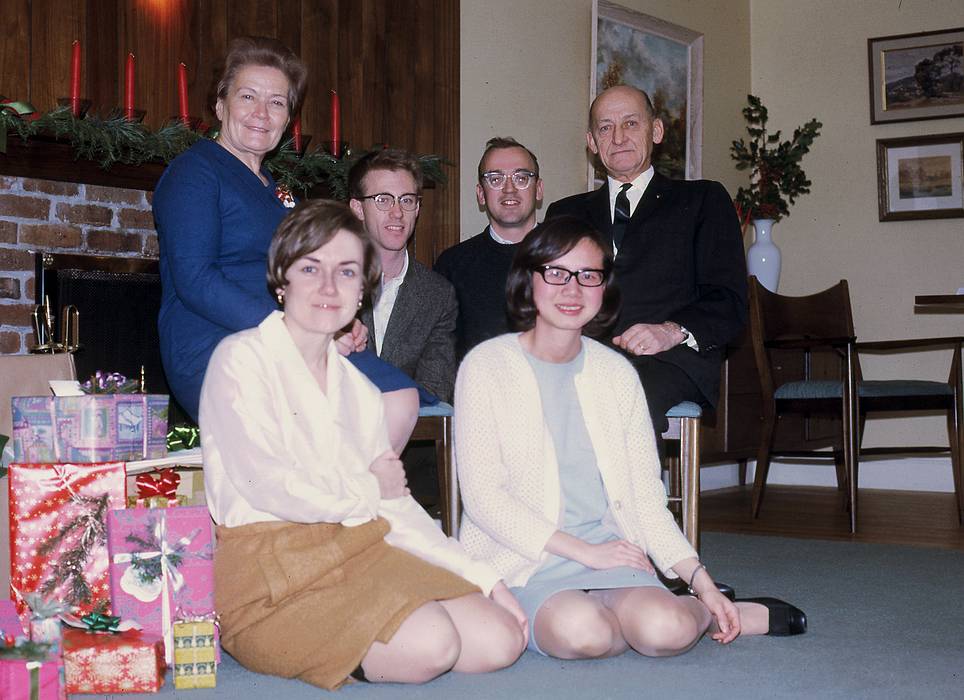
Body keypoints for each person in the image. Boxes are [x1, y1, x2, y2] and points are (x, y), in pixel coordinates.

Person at [200, 199, 526, 689]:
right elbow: (267, 484)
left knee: (499, 639)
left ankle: (381, 625)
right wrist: (367, 487)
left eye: (347, 271)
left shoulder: (359, 390)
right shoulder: (240, 359)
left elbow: (396, 507)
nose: (328, 287)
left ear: (362, 291)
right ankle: (321, 646)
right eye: (311, 267)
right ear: (281, 278)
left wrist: (486, 578)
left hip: (356, 545)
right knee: (434, 645)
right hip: (271, 572)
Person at [455, 216, 805, 660]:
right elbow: (486, 500)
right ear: (528, 278)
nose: (572, 289)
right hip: (526, 559)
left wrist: (699, 579)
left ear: (604, 289)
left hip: (613, 551)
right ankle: (610, 615)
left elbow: (643, 498)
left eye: (589, 275)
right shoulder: (486, 367)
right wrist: (585, 553)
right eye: (556, 272)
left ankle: (711, 611)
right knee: (582, 634)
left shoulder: (617, 374)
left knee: (666, 630)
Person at [153, 36, 418, 450]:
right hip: (220, 342)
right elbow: (196, 279)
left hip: (289, 338)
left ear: (288, 118)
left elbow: (299, 277)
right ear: (220, 105)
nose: (262, 113)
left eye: (277, 102)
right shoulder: (196, 172)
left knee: (399, 398)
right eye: (248, 97)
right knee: (371, 406)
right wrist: (303, 330)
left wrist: (337, 317)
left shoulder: (273, 189)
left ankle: (338, 509)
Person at [545, 85, 748, 435]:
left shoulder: (701, 199)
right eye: (605, 127)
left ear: (656, 131)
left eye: (631, 124)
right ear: (592, 141)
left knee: (615, 399)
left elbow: (728, 301)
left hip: (668, 360)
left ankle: (627, 492)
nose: (618, 137)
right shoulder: (564, 214)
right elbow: (547, 300)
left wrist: (671, 331)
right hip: (583, 359)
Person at [349, 149, 457, 403]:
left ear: (418, 208)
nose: (397, 212)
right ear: (358, 207)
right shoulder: (328, 282)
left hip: (408, 435)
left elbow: (434, 390)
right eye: (383, 200)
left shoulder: (438, 294)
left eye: (407, 200)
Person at [434, 137, 542, 360]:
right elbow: (440, 353)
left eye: (522, 178)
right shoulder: (453, 265)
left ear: (538, 189)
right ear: (481, 194)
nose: (509, 189)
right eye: (495, 179)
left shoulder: (570, 256)